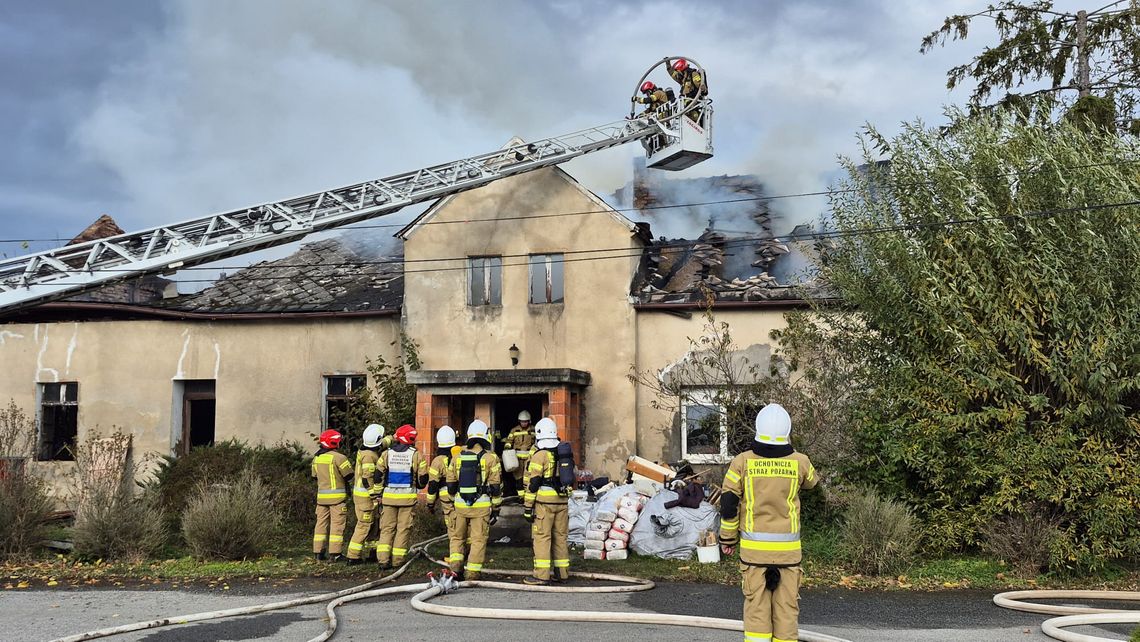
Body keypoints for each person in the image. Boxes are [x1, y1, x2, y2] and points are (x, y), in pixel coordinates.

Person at [719, 404, 818, 642]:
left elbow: (729, 502)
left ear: (757, 429)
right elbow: (812, 482)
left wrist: (727, 538)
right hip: (788, 556)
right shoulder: (800, 461)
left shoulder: (741, 462)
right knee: (786, 611)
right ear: (787, 431)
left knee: (757, 612)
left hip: (754, 555)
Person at [445, 419, 503, 580]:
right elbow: (496, 487)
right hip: (481, 506)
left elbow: (450, 484)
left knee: (457, 537)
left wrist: (454, 500)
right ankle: (472, 573)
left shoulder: (457, 457)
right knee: (478, 540)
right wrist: (496, 507)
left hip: (460, 505)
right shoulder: (491, 458)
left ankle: (456, 569)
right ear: (485, 437)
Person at [522, 417, 571, 585]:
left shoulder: (540, 454)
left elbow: (533, 484)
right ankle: (562, 574)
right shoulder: (563, 452)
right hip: (562, 502)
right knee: (560, 537)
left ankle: (541, 575)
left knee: (542, 538)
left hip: (544, 503)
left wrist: (528, 507)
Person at [375, 424, 428, 569]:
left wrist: (378, 494)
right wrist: (418, 485)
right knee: (403, 529)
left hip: (388, 499)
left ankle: (383, 561)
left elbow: (378, 475)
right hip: (407, 500)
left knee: (386, 529)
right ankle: (398, 560)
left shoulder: (386, 453)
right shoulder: (416, 454)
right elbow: (423, 479)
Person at [312, 429, 353, 561]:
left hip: (321, 499)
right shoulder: (339, 458)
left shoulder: (316, 458)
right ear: (335, 442)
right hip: (337, 499)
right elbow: (349, 474)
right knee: (337, 525)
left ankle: (318, 552)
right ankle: (335, 554)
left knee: (320, 525)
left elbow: (314, 476)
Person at [345, 424, 384, 565]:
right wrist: (375, 495)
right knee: (364, 525)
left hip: (365, 498)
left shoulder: (365, 450)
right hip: (366, 498)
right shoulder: (369, 456)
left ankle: (372, 553)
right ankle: (353, 556)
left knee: (374, 526)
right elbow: (368, 478)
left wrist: (394, 437)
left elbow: (382, 442)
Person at [425, 425, 459, 564]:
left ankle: (455, 555)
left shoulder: (437, 461)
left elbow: (433, 485)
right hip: (461, 495)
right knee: (463, 523)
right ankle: (466, 552)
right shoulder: (459, 456)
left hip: (446, 498)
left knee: (452, 526)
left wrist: (430, 503)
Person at [503, 411, 536, 495]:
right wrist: (507, 447)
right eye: (522, 421)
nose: (524, 423)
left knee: (528, 477)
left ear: (529, 421)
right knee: (518, 478)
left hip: (529, 458)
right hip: (517, 458)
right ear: (519, 421)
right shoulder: (514, 430)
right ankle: (521, 496)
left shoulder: (533, 430)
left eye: (525, 421)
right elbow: (509, 441)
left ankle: (527, 496)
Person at [667, 58, 708, 124]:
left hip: (692, 99)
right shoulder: (683, 78)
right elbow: (673, 74)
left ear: (681, 69)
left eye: (678, 71)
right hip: (684, 100)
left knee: (689, 110)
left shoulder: (693, 74)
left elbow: (700, 85)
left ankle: (694, 120)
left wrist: (703, 87)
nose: (678, 73)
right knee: (674, 106)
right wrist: (668, 65)